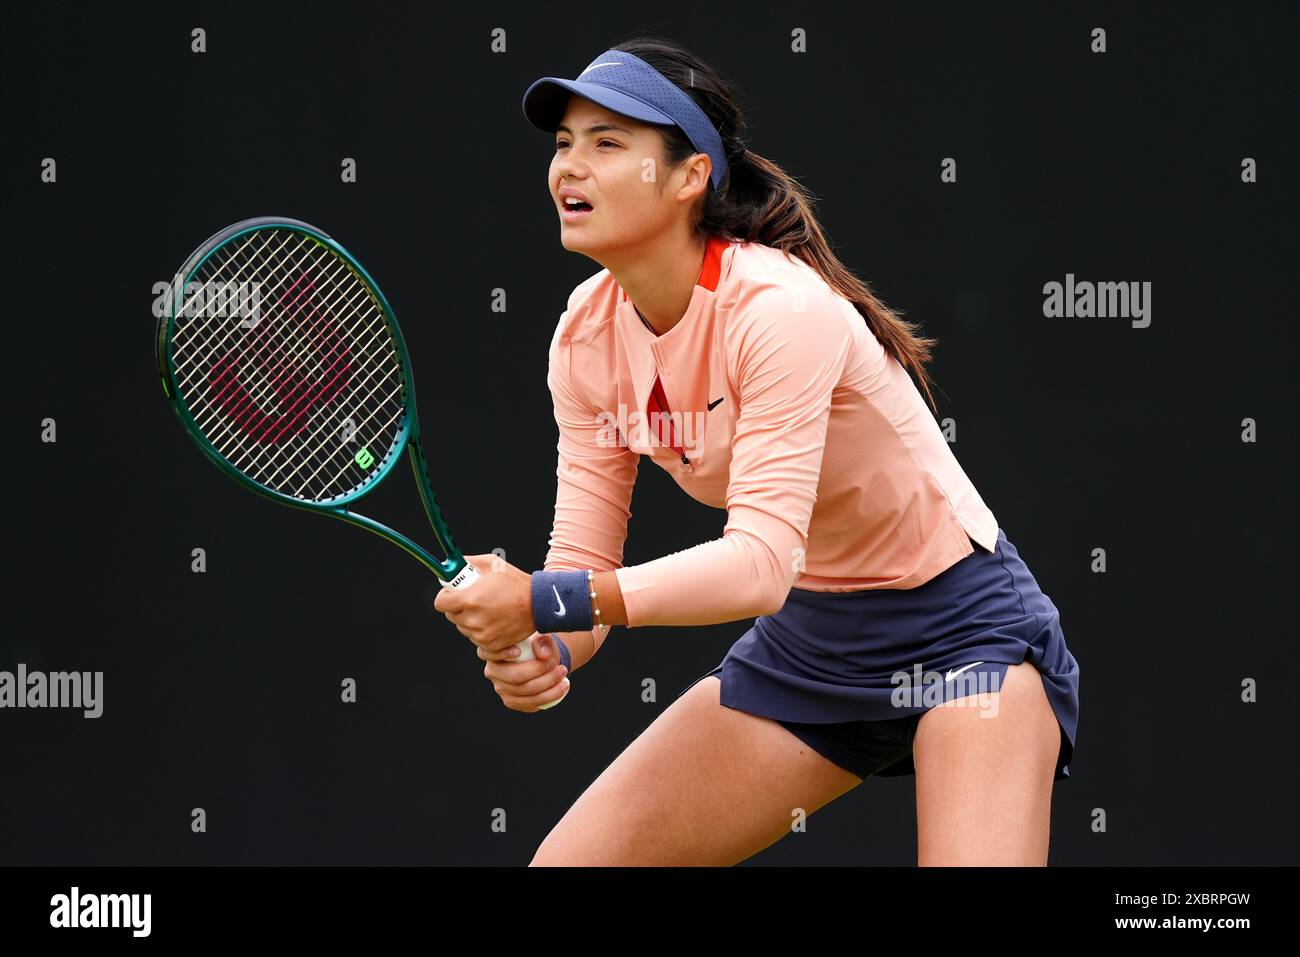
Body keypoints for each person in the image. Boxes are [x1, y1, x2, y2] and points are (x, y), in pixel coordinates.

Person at [433, 36, 1080, 866]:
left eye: (607, 143)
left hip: (963, 634)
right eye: (563, 144)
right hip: (810, 646)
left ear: (689, 175)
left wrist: (547, 604)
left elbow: (757, 567)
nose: (570, 167)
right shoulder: (583, 339)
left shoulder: (777, 309)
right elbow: (581, 563)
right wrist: (548, 648)